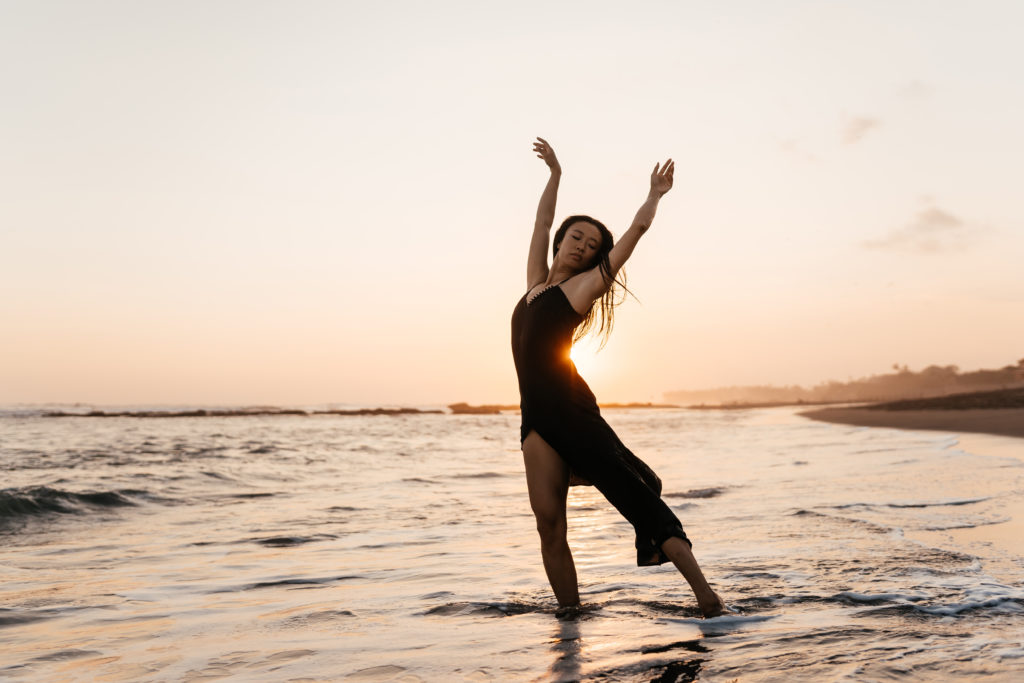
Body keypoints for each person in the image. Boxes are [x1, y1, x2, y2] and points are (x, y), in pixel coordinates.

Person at [511, 137, 730, 618]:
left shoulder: (582, 289)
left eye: (592, 246)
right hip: (535, 419)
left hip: (573, 414)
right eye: (577, 238)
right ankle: (570, 619)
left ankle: (709, 599)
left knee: (639, 501)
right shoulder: (534, 286)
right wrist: (555, 175)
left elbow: (636, 231)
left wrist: (654, 195)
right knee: (548, 526)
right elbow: (541, 222)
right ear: (562, 241)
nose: (583, 246)